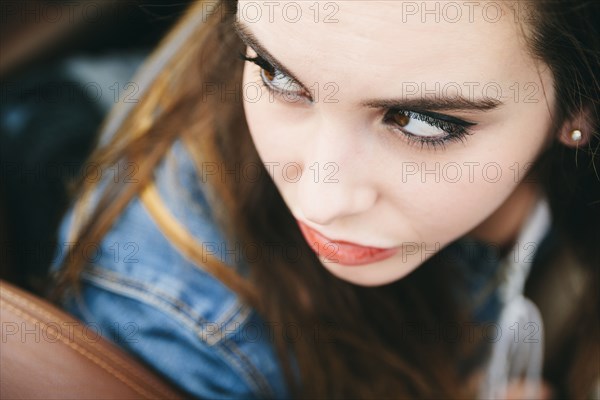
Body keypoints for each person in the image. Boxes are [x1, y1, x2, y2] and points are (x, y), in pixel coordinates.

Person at [50, 1, 599, 398]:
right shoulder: (181, 325)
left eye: (421, 122)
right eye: (277, 75)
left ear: (581, 108)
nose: (321, 200)